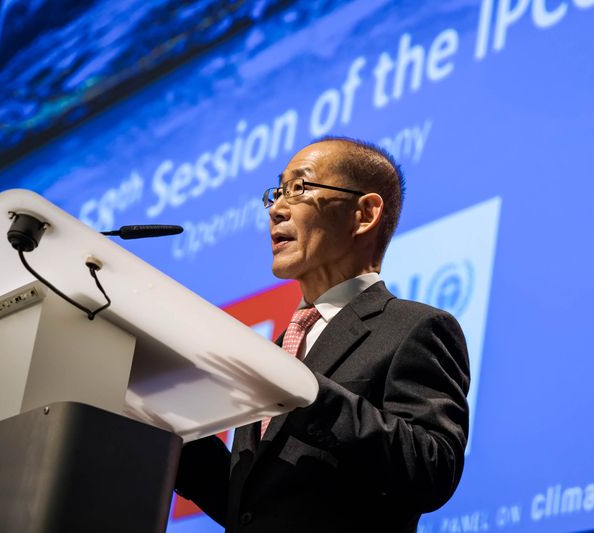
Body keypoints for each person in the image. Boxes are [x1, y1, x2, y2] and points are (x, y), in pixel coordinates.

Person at [175, 137, 470, 532]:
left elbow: (432, 467)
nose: (277, 209)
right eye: (276, 193)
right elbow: (253, 507)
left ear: (364, 214)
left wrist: (300, 389)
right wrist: (175, 438)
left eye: (299, 189)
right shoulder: (281, 349)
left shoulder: (414, 327)